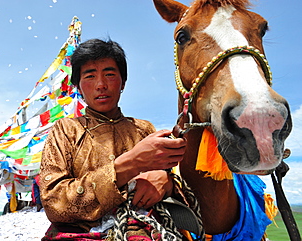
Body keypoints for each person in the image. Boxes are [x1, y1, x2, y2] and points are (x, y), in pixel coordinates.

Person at [39, 39, 197, 240]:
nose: (101, 85)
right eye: (89, 76)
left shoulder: (144, 129)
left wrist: (166, 183)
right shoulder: (65, 130)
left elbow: (176, 185)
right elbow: (54, 203)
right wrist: (131, 163)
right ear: (78, 86)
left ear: (123, 82)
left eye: (110, 74)